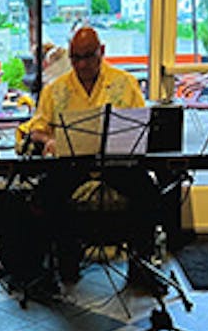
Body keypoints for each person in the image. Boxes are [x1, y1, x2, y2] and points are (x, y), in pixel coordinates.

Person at [25, 27, 156, 285]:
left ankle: (141, 265)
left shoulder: (125, 83)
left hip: (117, 162)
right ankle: (64, 261)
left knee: (148, 193)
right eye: (76, 58)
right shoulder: (55, 89)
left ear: (102, 52)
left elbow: (140, 124)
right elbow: (36, 129)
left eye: (88, 56)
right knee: (44, 195)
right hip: (72, 162)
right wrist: (48, 139)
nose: (82, 64)